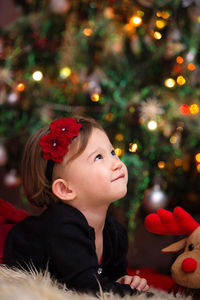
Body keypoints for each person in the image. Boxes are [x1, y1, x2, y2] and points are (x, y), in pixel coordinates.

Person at [4, 116, 149, 296]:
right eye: (98, 157)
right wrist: (129, 293)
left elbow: (110, 278)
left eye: (112, 153)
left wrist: (125, 280)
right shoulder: (64, 227)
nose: (116, 163)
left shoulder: (114, 233)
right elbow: (86, 286)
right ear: (65, 189)